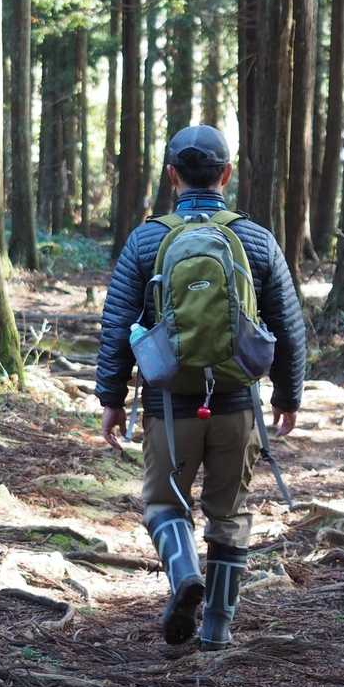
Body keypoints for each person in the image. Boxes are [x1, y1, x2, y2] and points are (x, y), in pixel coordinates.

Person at [95, 125, 306, 649]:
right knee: (229, 513)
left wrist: (111, 398)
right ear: (226, 174)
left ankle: (185, 573)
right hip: (235, 403)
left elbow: (118, 323)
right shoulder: (255, 239)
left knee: (163, 505)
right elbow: (287, 323)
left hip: (169, 404)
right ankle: (216, 628)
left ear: (172, 176)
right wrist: (288, 395)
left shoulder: (146, 240)